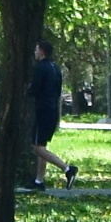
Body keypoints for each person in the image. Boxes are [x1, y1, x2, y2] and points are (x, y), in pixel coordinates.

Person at [28, 41, 75, 190]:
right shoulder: (55, 68)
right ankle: (38, 181)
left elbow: (34, 90)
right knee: (42, 146)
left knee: (35, 147)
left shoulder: (41, 68)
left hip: (43, 111)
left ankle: (67, 169)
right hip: (53, 110)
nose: (34, 52)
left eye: (36, 49)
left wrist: (28, 89)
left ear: (42, 51)